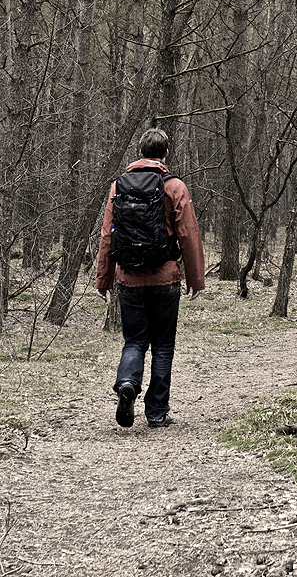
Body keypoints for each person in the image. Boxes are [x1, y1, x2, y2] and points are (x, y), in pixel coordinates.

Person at [96, 128, 205, 428]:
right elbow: (189, 235)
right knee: (163, 346)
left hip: (128, 279)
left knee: (134, 341)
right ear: (166, 153)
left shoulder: (118, 186)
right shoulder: (174, 186)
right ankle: (157, 412)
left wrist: (103, 280)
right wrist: (196, 280)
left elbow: (108, 235)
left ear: (140, 151)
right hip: (165, 278)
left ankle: (128, 383)